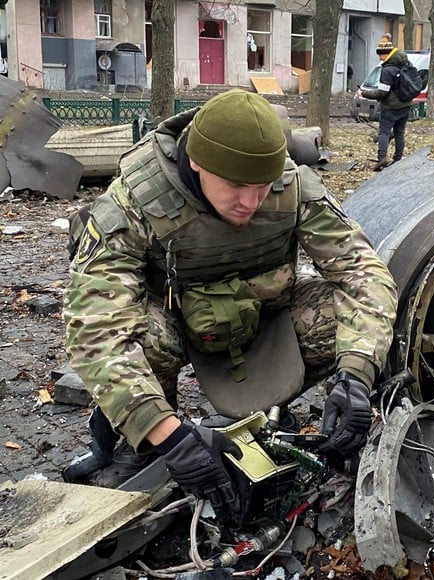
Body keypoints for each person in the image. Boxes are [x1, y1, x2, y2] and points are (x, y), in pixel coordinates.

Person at [62, 89, 399, 521]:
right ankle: (137, 439)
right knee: (140, 335)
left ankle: (273, 418)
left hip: (263, 315)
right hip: (178, 323)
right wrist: (165, 433)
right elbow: (95, 328)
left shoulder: (291, 186)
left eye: (262, 187)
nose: (251, 203)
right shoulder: (136, 201)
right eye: (237, 187)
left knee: (350, 319)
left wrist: (358, 373)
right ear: (198, 165)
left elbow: (362, 273)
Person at [361, 33, 414, 171]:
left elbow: (382, 93)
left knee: (384, 133)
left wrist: (364, 93)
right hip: (406, 104)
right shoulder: (405, 63)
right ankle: (398, 159)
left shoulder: (387, 70)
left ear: (387, 53)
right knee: (399, 133)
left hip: (390, 107)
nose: (379, 57)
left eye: (381, 54)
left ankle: (382, 158)